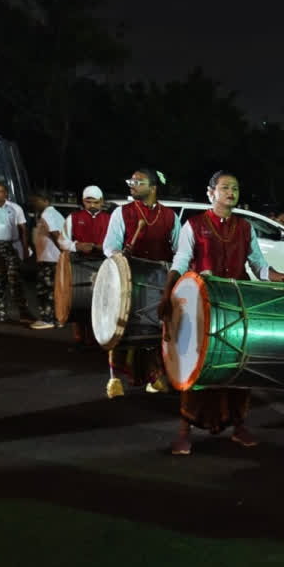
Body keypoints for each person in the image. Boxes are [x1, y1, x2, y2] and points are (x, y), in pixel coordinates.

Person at [159, 171, 284, 456]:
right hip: (203, 306)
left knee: (240, 366)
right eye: (225, 188)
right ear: (210, 193)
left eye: (235, 188)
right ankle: (184, 431)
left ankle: (238, 426)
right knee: (196, 369)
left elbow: (259, 266)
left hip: (238, 305)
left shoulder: (246, 227)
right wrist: (168, 294)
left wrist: (279, 276)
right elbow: (182, 260)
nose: (231, 192)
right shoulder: (194, 225)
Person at [102, 168, 180, 396]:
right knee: (120, 328)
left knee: (153, 330)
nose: (132, 184)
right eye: (131, 180)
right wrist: (119, 254)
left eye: (138, 181)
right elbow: (109, 246)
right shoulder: (122, 213)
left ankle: (153, 377)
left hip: (157, 281)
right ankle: (114, 379)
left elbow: (178, 250)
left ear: (153, 187)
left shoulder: (169, 216)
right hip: (128, 279)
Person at [61, 185, 107, 345]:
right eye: (89, 202)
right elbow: (62, 241)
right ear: (83, 201)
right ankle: (80, 339)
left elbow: (118, 243)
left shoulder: (110, 219)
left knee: (101, 305)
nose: (92, 205)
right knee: (78, 303)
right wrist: (76, 246)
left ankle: (98, 339)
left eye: (96, 202)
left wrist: (105, 247)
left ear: (102, 201)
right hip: (79, 265)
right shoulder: (73, 218)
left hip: (103, 265)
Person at [0, 181, 33, 323]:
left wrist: (24, 249)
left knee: (15, 280)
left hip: (12, 246)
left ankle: (23, 312)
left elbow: (23, 229)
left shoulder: (15, 208)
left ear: (6, 193)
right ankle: (0, 313)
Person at [28, 190, 68, 330]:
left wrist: (64, 253)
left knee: (46, 290)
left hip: (50, 259)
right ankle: (56, 319)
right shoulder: (50, 214)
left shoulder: (48, 214)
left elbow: (56, 234)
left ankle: (48, 319)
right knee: (52, 290)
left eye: (36, 201)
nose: (33, 204)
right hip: (50, 258)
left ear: (45, 201)